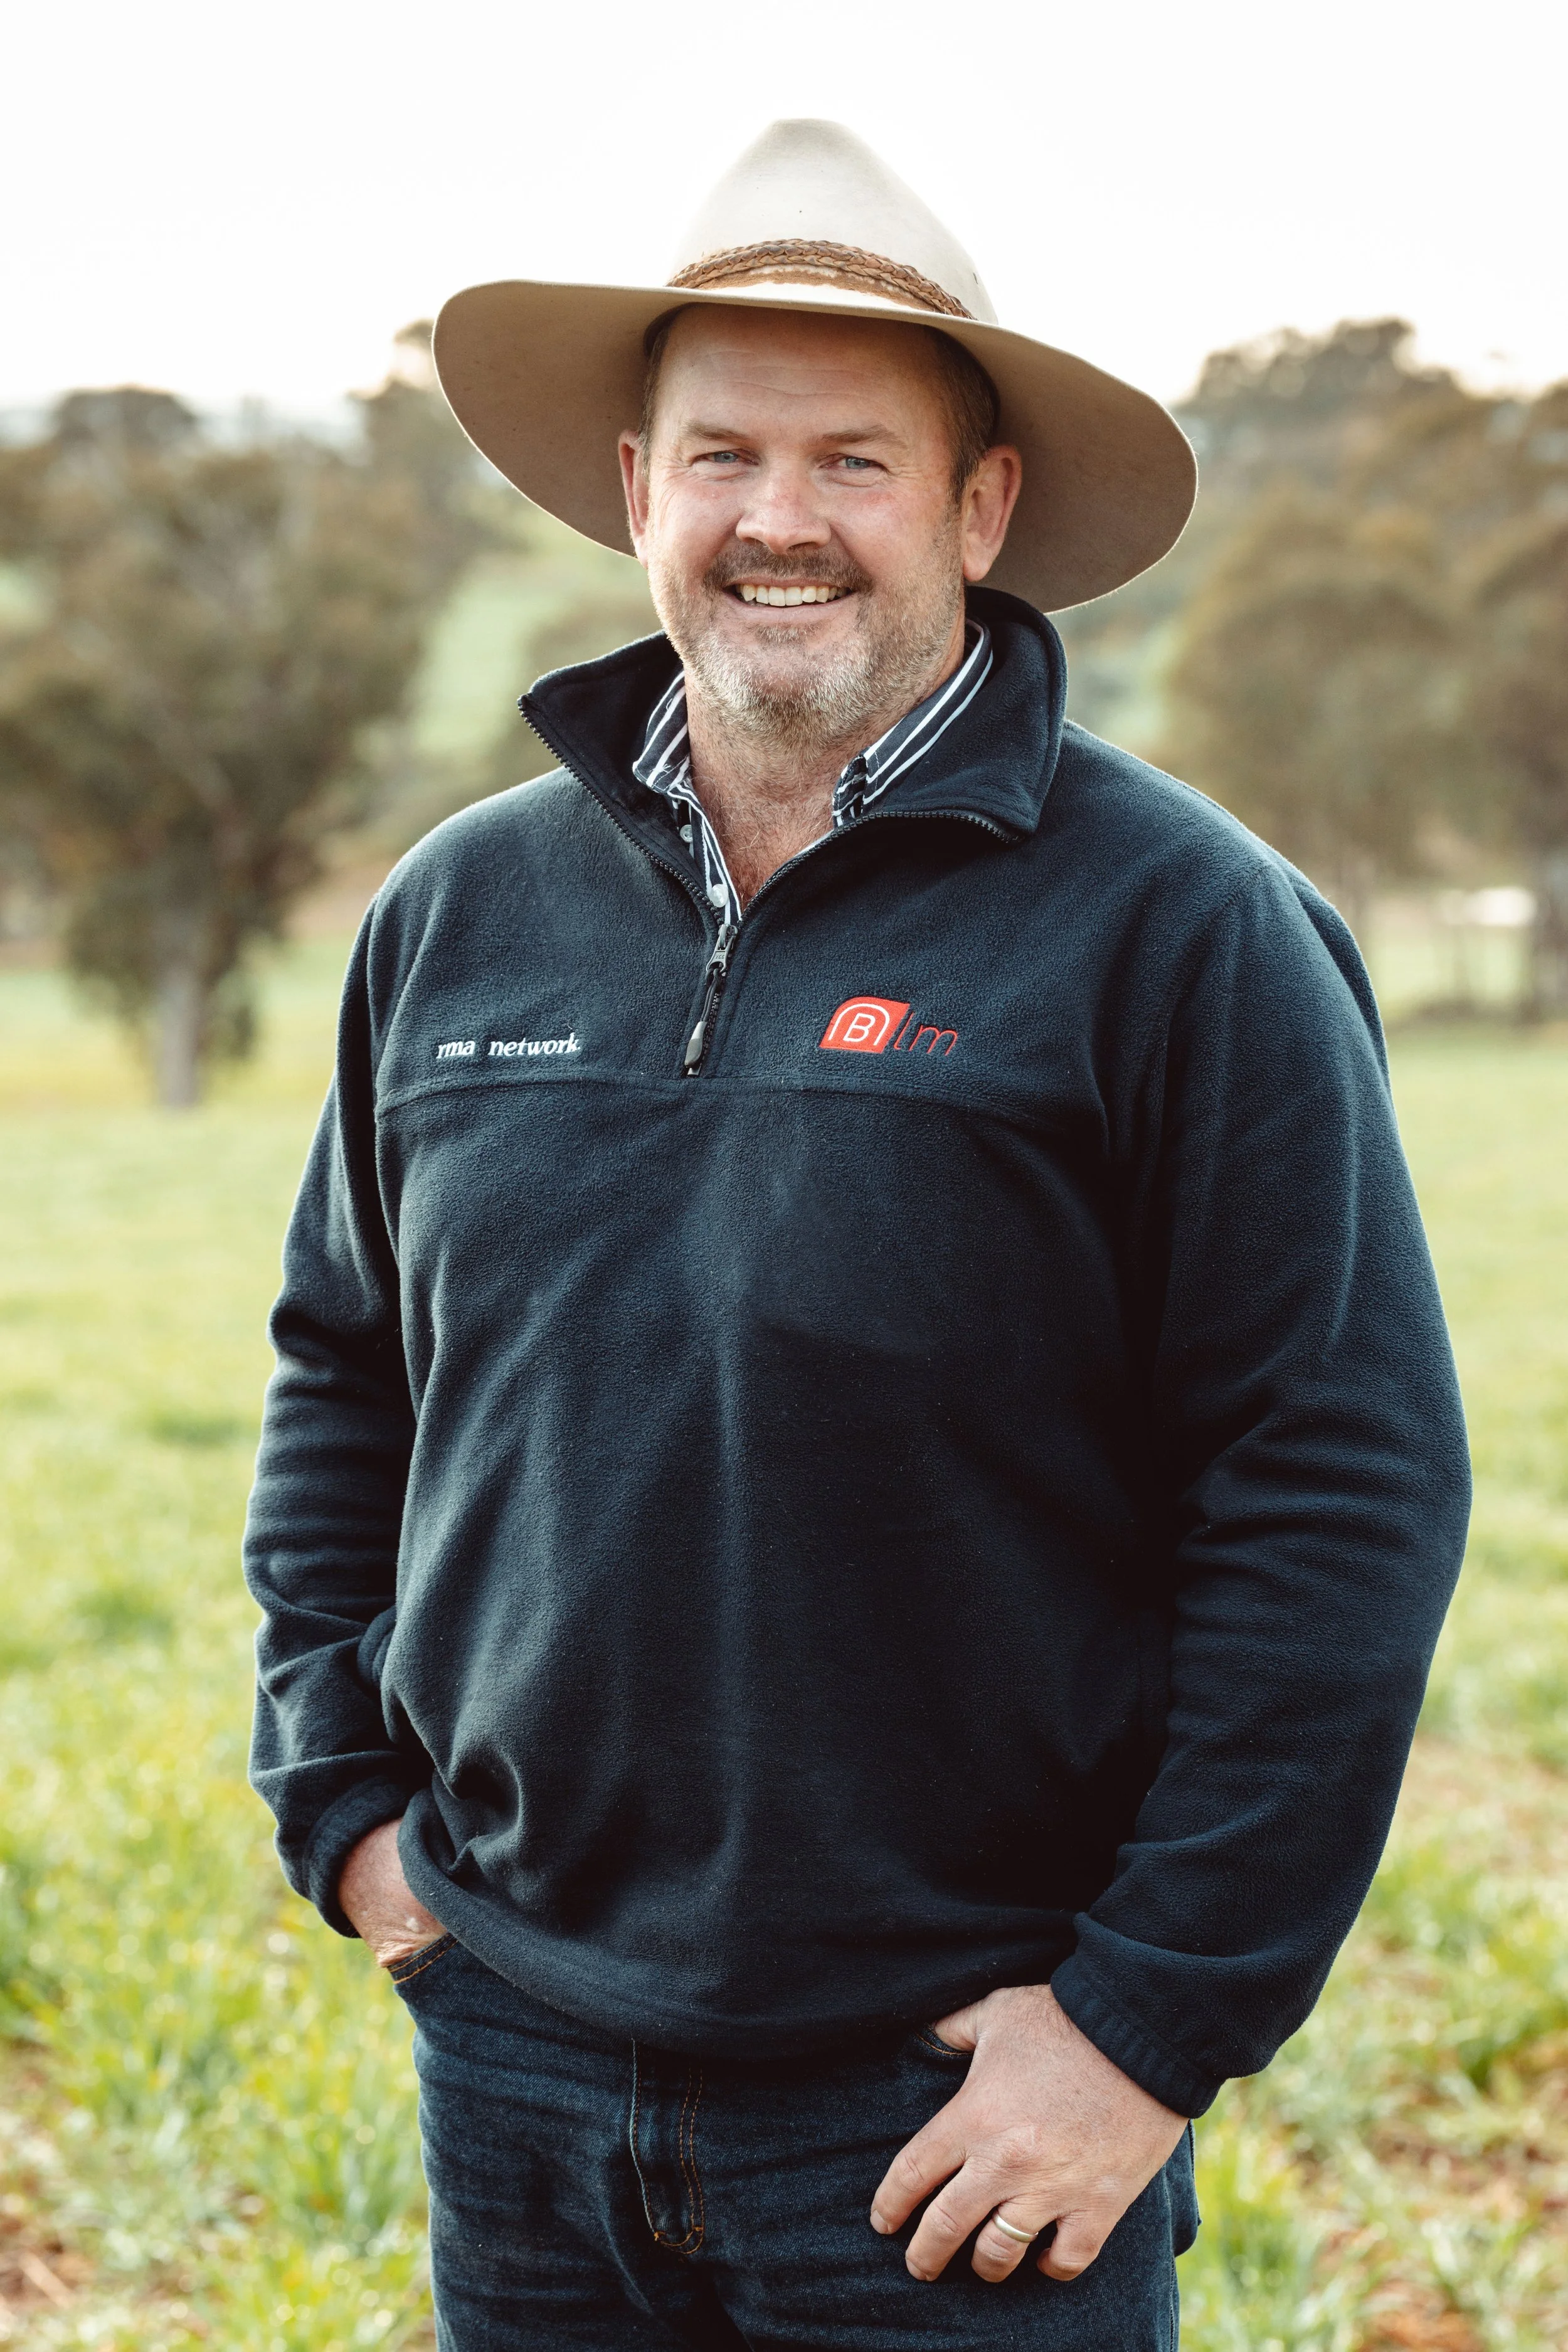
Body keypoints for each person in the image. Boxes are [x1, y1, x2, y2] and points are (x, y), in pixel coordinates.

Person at [244, 120, 1470, 2350]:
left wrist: (1137, 2035)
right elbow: (346, 1366)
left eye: (854, 459)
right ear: (635, 487)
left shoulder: (1183, 928)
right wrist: (345, 1806)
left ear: (980, 506)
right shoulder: (453, 913)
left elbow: (1338, 1488)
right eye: (720, 453)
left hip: (953, 2120)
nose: (776, 519)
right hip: (514, 2057)